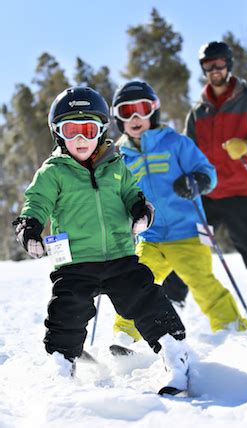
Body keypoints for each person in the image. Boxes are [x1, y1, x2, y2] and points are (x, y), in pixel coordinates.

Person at [12, 86, 190, 393]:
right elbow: (36, 202)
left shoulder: (116, 165)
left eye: (88, 130)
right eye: (71, 130)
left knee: (146, 299)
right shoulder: (53, 172)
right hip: (76, 262)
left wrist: (140, 211)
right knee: (67, 310)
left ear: (101, 131)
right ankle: (62, 367)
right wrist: (30, 227)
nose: (80, 139)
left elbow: (134, 195)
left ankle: (176, 356)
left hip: (121, 257)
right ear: (58, 134)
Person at [111, 80, 247, 348]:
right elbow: (117, 193)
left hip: (186, 232)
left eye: (142, 109)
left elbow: (208, 172)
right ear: (119, 118)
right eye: (127, 112)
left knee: (202, 282)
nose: (136, 117)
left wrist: (197, 180)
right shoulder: (120, 157)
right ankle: (125, 336)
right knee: (137, 283)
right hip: (150, 237)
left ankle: (233, 329)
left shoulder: (175, 142)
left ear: (154, 111)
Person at [185, 41, 247, 317]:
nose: (214, 70)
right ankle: (173, 298)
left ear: (228, 65)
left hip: (241, 190)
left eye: (219, 64)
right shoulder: (198, 111)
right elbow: (187, 150)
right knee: (189, 244)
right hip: (208, 193)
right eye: (208, 65)